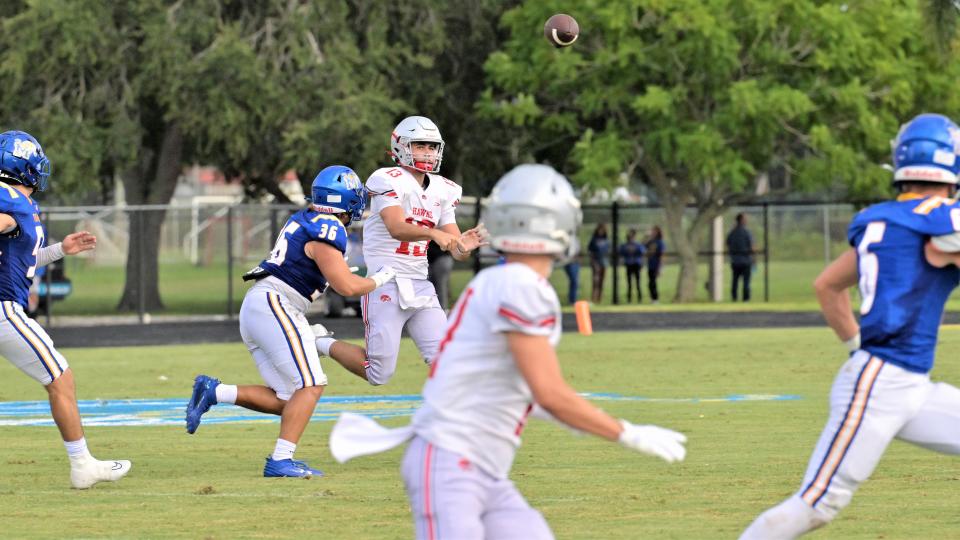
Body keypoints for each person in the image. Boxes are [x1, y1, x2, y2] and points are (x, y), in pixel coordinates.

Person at [327, 164, 687, 540]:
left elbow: (527, 392)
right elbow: (549, 393)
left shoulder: (500, 282)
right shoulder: (523, 289)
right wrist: (625, 433)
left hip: (479, 467)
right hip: (451, 463)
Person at [740, 113, 960, 538]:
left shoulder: (883, 220)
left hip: (908, 383)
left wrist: (857, 345)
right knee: (816, 504)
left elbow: (827, 285)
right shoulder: (940, 221)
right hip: (880, 383)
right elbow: (942, 237)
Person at [184, 165, 396, 478]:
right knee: (311, 384)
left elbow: (314, 266)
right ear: (350, 201)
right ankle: (281, 461)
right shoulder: (329, 228)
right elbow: (347, 288)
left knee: (290, 397)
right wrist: (379, 279)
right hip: (275, 304)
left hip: (262, 305)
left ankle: (215, 392)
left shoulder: (306, 218)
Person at [0, 130, 130, 489]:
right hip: (3, 311)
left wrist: (59, 250)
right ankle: (82, 465)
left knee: (59, 379)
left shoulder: (17, 201)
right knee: (60, 379)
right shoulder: (11, 198)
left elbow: (21, 257)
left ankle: (83, 463)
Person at [317, 115, 487, 386]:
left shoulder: (444, 189)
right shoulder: (387, 178)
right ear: (401, 147)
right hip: (384, 284)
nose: (427, 152)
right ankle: (320, 342)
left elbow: (457, 249)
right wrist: (434, 233)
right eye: (420, 145)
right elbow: (396, 227)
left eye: (432, 147)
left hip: (420, 284)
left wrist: (463, 246)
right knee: (378, 374)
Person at [726, 213, 754, 301]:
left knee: (735, 281)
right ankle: (746, 299)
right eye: (745, 219)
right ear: (741, 220)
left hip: (735, 261)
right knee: (746, 281)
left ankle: (734, 298)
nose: (746, 220)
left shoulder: (732, 232)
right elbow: (752, 246)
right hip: (746, 261)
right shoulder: (746, 232)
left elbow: (727, 243)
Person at [619, 228, 646, 303]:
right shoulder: (624, 245)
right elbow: (621, 253)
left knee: (638, 282)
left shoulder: (638, 244)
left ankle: (639, 299)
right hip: (628, 264)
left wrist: (641, 263)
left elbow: (642, 252)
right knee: (629, 283)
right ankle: (629, 299)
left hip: (636, 264)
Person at [426, 239, 454, 311]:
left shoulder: (436, 229)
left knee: (440, 288)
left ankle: (443, 311)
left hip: (441, 258)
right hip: (434, 259)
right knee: (434, 288)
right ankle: (435, 310)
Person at [587, 223, 610, 303]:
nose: (601, 231)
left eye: (603, 230)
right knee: (595, 280)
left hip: (604, 261)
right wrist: (593, 261)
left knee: (601, 280)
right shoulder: (594, 239)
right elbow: (590, 250)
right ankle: (593, 297)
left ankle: (599, 299)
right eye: (600, 229)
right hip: (596, 261)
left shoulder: (606, 239)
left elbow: (608, 250)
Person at [644, 226, 665, 304]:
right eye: (652, 231)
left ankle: (655, 299)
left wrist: (660, 268)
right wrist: (646, 236)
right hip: (650, 265)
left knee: (653, 282)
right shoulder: (650, 241)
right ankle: (653, 299)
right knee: (650, 282)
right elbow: (643, 245)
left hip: (656, 265)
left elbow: (662, 255)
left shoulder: (660, 242)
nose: (652, 232)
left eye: (654, 231)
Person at [563, 238, 581, 305]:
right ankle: (572, 300)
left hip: (575, 262)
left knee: (575, 281)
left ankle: (573, 299)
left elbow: (578, 251)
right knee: (574, 280)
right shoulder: (565, 239)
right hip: (568, 262)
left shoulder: (576, 240)